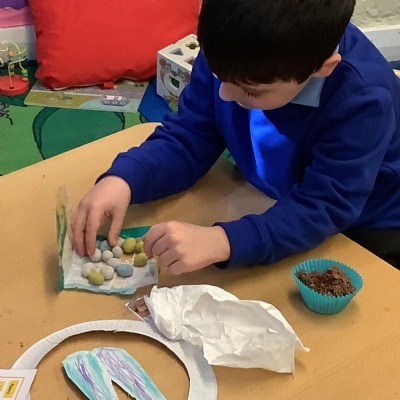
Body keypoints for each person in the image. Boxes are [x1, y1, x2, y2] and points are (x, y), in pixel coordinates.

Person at [72, 0, 400, 274]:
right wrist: (126, 179)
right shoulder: (232, 49)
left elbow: (325, 204)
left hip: (368, 222)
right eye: (219, 76)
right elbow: (190, 135)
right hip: (280, 193)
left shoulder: (364, 99)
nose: (225, 95)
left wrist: (225, 242)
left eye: (250, 91)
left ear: (322, 68)